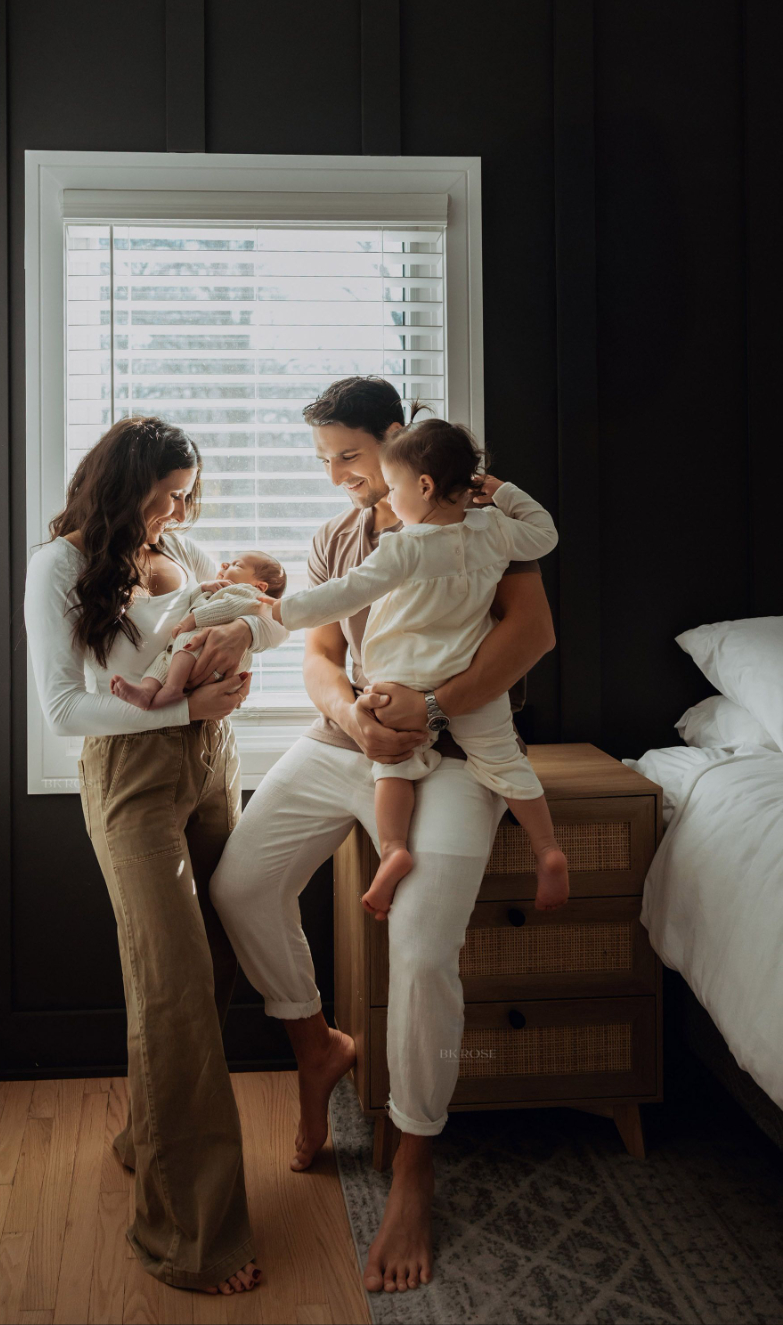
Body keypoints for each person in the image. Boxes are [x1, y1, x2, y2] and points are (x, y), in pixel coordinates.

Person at [209, 377, 556, 1295]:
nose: (335, 479)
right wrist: (359, 725)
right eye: (323, 462)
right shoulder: (336, 538)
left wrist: (433, 708)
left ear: (398, 443)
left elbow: (531, 634)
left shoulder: (475, 508)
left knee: (420, 951)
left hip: (449, 753)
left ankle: (411, 1160)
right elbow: (323, 653)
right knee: (241, 886)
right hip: (347, 743)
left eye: (349, 458)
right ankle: (316, 1042)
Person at [22, 416, 285, 1297]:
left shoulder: (183, 544)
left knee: (212, 968)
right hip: (135, 777)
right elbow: (63, 709)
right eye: (166, 493)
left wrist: (235, 666)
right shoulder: (56, 567)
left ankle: (148, 1139)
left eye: (187, 494)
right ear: (119, 482)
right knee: (172, 989)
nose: (178, 509)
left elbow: (231, 619)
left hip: (213, 763)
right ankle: (191, 1237)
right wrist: (181, 711)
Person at [269, 416, 567, 919]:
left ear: (424, 486)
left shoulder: (404, 547)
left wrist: (278, 612)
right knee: (506, 765)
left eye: (396, 487)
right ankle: (548, 849)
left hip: (403, 680)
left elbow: (342, 595)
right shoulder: (495, 529)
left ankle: (393, 850)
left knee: (393, 766)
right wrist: (505, 492)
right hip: (472, 682)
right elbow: (546, 534)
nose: (391, 498)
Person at [110, 550, 287, 710]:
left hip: (206, 648)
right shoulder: (220, 588)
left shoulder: (246, 592)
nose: (225, 565)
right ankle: (146, 691)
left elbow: (228, 607)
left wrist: (193, 619)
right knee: (162, 662)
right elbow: (196, 601)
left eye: (237, 565)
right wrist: (202, 588)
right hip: (188, 652)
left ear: (260, 587)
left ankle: (173, 689)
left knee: (186, 642)